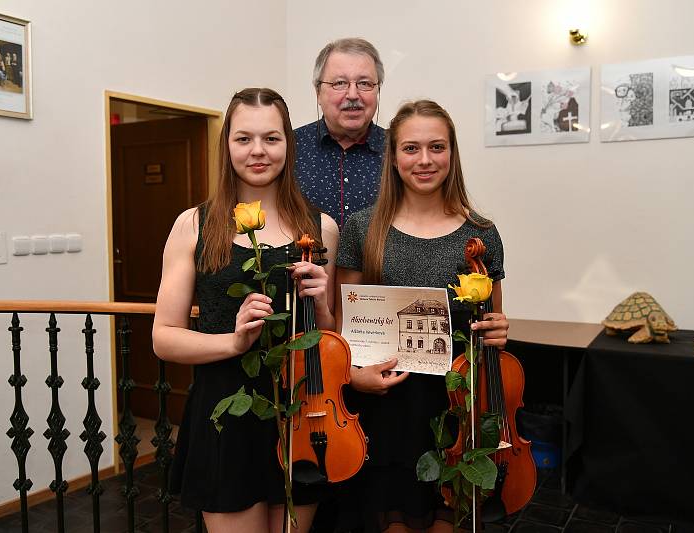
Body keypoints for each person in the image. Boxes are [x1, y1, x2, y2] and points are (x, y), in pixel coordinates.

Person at [152, 87, 339, 533]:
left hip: (302, 412)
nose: (258, 151)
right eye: (244, 138)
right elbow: (163, 337)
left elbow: (330, 337)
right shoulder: (194, 225)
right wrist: (234, 341)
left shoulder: (321, 227)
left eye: (271, 138)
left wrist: (322, 308)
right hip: (226, 417)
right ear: (227, 145)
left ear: (288, 145)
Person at [335, 100, 510, 532]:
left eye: (437, 147)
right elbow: (343, 328)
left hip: (455, 406)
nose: (425, 160)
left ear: (452, 153)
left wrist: (498, 331)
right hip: (386, 403)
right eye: (411, 148)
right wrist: (353, 376)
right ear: (393, 157)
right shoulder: (363, 228)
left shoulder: (482, 233)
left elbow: (494, 321)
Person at [295, 38, 386, 229]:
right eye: (340, 83)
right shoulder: (290, 148)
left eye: (364, 83)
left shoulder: (400, 151)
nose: (353, 95)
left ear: (377, 90)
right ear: (318, 92)